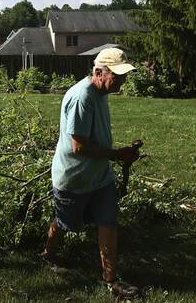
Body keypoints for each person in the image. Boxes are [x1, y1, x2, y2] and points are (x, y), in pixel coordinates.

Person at [41, 47, 142, 299]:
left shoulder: (101, 92)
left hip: (99, 177)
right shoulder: (82, 97)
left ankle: (111, 280)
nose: (121, 82)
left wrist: (119, 154)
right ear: (98, 71)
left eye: (123, 76)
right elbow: (79, 147)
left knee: (108, 222)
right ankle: (47, 255)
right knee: (65, 224)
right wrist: (118, 155)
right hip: (73, 179)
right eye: (116, 77)